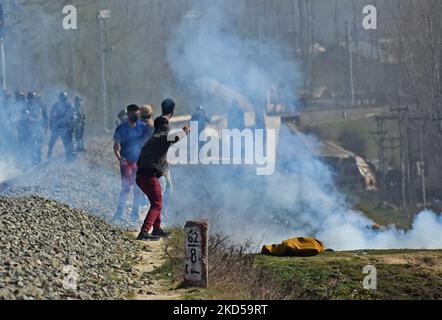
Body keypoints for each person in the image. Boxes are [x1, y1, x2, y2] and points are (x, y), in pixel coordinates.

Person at [135, 98, 190, 241]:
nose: (167, 128)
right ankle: (144, 232)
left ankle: (157, 229)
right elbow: (172, 137)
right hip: (148, 176)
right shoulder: (161, 137)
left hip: (143, 175)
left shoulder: (152, 139)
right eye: (166, 126)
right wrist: (185, 132)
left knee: (156, 201)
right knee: (157, 203)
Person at [112, 104, 151, 223]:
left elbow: (148, 140)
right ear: (129, 114)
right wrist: (119, 158)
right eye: (135, 114)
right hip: (126, 162)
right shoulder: (121, 128)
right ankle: (119, 213)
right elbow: (116, 146)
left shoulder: (143, 127)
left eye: (138, 114)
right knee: (125, 188)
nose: (137, 116)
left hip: (138, 162)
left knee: (138, 188)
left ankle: (135, 214)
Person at [47, 92, 76, 162]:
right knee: (52, 141)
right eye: (61, 97)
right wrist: (51, 125)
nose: (62, 99)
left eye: (63, 97)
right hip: (57, 126)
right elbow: (51, 116)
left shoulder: (69, 106)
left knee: (67, 142)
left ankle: (70, 157)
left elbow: (72, 116)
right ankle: (49, 152)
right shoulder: (56, 105)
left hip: (65, 127)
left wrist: (72, 126)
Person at [22, 92, 48, 166]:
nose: (31, 100)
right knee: (30, 144)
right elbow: (23, 117)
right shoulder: (25, 106)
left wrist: (45, 127)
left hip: (37, 127)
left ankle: (38, 159)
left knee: (37, 143)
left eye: (32, 98)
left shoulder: (38, 106)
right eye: (30, 98)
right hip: (28, 128)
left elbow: (40, 117)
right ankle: (32, 160)